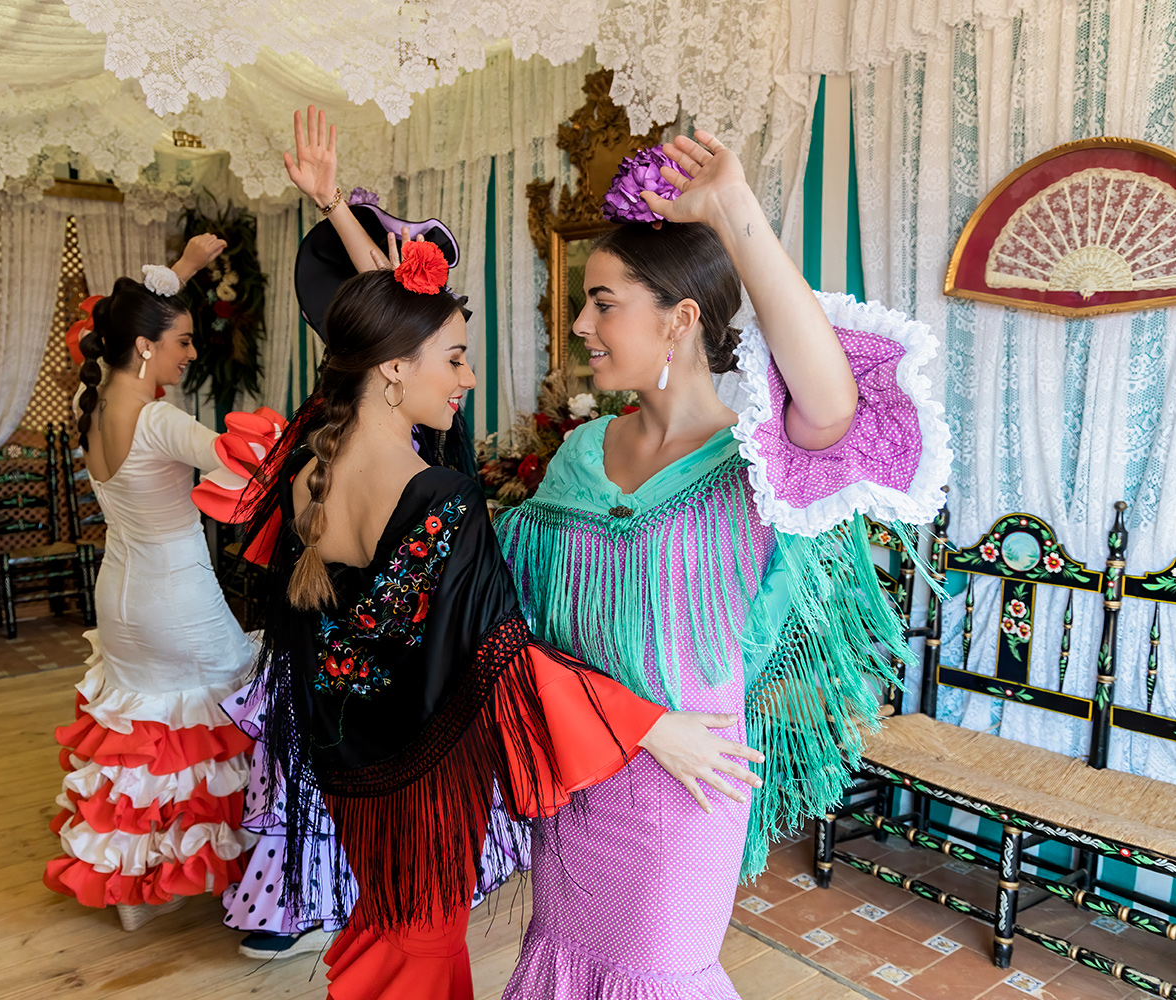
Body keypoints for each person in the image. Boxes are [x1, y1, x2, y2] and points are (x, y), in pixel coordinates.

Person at [191, 219, 764, 998]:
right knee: (419, 958)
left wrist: (347, 227)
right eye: (456, 359)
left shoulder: (308, 478)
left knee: (391, 938)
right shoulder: (437, 494)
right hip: (427, 781)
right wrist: (653, 725)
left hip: (350, 770)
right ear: (393, 368)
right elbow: (498, 653)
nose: (466, 378)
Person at [495, 133, 950, 997]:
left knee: (653, 972)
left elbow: (833, 402)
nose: (581, 325)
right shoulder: (580, 451)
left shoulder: (757, 464)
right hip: (579, 770)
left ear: (680, 317)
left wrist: (736, 210)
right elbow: (525, 630)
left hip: (684, 792)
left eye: (602, 302)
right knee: (564, 963)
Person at [43, 234, 266, 934]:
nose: (191, 354)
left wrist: (187, 269)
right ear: (145, 347)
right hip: (177, 595)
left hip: (119, 599)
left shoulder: (95, 407)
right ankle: (234, 872)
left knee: (145, 735)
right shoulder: (161, 418)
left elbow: (140, 307)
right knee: (223, 718)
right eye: (183, 342)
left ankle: (141, 888)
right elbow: (245, 463)